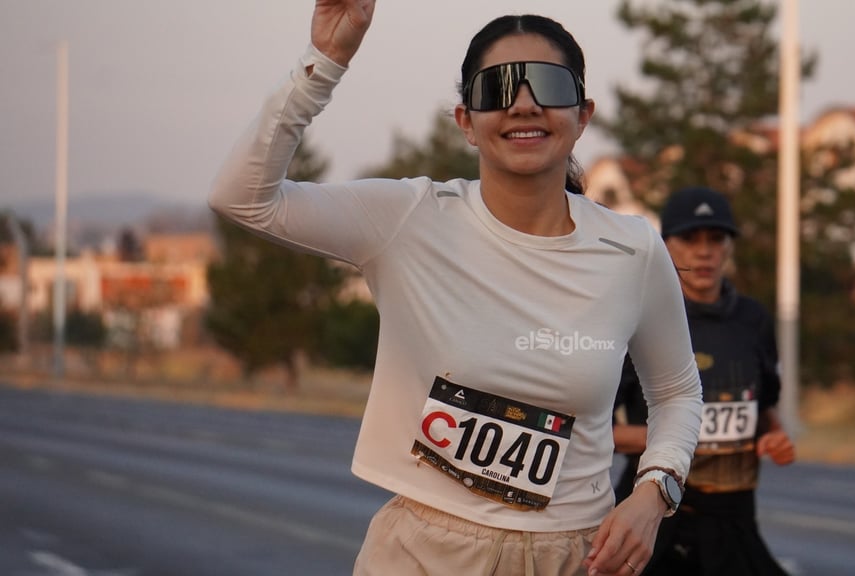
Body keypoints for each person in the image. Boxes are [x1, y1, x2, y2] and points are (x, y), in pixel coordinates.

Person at [208, 2, 703, 575]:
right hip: (423, 554)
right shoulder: (410, 218)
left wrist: (653, 494)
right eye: (497, 88)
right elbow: (242, 197)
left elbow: (677, 394)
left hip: (578, 557)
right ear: (466, 120)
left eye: (547, 85)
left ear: (583, 114)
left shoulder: (633, 249)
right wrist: (327, 59)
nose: (523, 103)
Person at [612, 186, 795, 575]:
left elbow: (764, 407)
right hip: (655, 516)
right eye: (690, 239)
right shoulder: (637, 315)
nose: (704, 251)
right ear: (666, 245)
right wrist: (676, 436)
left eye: (716, 238)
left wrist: (773, 436)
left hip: (734, 519)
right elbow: (596, 430)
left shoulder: (753, 320)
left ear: (729, 247)